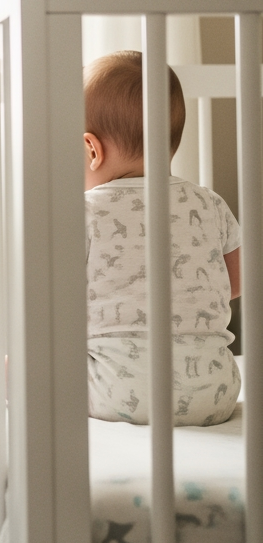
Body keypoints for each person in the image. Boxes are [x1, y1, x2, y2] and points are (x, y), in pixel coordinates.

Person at [84, 50, 241, 426]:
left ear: (92, 149)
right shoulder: (208, 202)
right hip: (217, 392)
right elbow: (235, 282)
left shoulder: (84, 211)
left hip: (118, 394)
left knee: (27, 366)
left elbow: (55, 305)